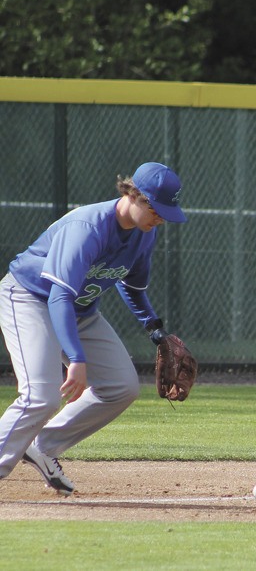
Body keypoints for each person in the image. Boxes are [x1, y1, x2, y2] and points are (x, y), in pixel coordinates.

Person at [0, 162, 188, 495]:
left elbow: (131, 285)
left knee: (122, 386)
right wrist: (76, 358)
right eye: (156, 209)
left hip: (80, 310)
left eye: (165, 212)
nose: (160, 217)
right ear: (134, 195)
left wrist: (154, 329)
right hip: (30, 298)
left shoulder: (145, 234)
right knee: (41, 396)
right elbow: (59, 295)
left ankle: (43, 445)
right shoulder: (88, 227)